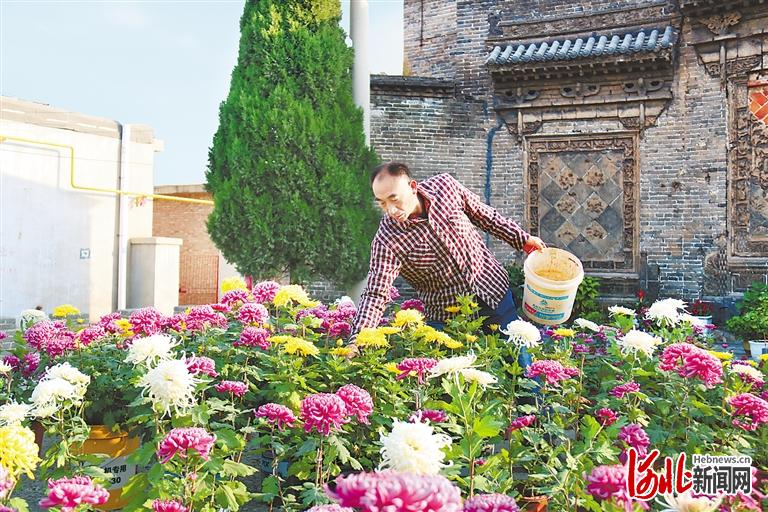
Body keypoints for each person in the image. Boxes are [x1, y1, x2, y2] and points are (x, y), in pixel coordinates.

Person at [348, 162, 546, 364]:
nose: (390, 210)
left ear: (412, 187)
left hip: (491, 291)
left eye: (394, 199)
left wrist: (522, 239)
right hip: (447, 318)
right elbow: (376, 293)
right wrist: (357, 341)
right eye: (382, 203)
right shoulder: (387, 240)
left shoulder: (445, 187)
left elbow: (486, 217)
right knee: (452, 377)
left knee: (521, 364)